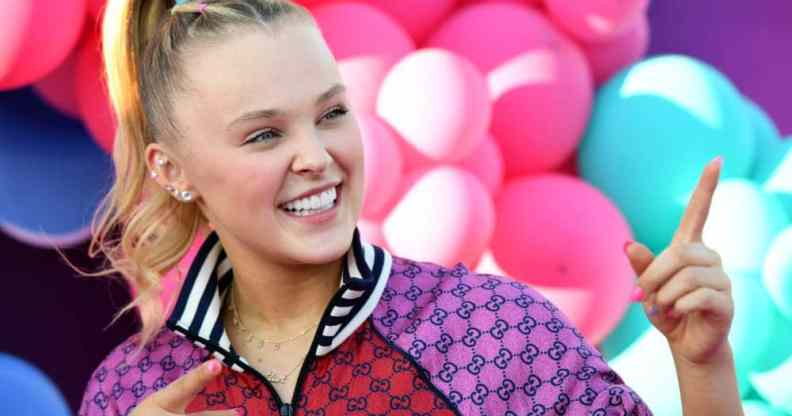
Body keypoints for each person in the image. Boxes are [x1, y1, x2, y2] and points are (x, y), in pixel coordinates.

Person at [77, 0, 745, 415]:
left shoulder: (493, 328)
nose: (316, 155)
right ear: (174, 170)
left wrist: (704, 367)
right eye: (265, 134)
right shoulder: (128, 392)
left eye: (331, 113)